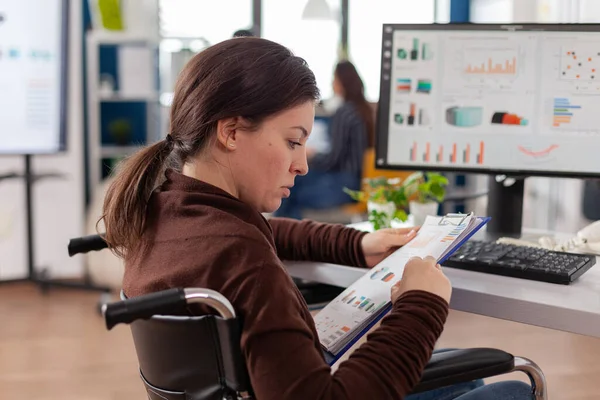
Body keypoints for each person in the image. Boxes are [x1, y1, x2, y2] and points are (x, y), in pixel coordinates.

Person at [100, 37, 532, 400]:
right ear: (231, 132)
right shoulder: (241, 257)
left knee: (466, 375)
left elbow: (268, 232)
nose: (302, 164)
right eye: (292, 142)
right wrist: (423, 305)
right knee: (513, 387)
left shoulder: (162, 210)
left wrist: (355, 244)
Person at [274, 60, 373, 219]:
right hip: (355, 182)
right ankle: (285, 233)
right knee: (295, 185)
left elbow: (333, 159)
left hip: (343, 184)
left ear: (342, 82)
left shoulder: (344, 113)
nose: (332, 84)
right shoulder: (361, 110)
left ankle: (281, 233)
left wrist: (311, 156)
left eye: (334, 80)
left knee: (291, 188)